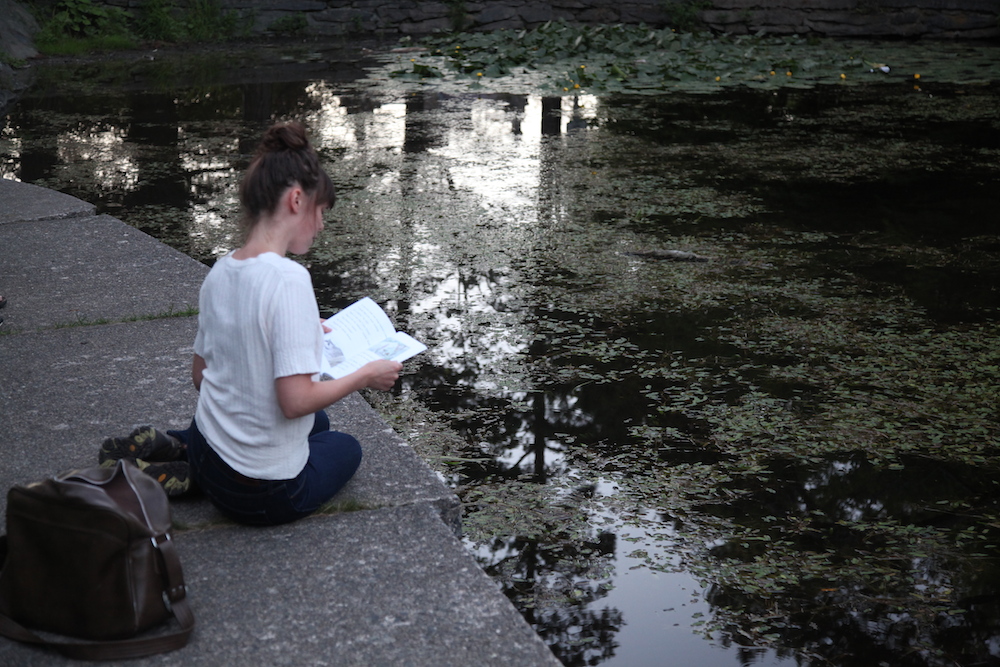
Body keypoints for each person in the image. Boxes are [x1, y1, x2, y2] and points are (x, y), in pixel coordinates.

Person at [100, 121, 402, 526]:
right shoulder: (289, 280)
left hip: (212, 449)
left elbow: (200, 376)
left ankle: (184, 451)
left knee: (321, 422)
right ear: (297, 199)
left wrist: (299, 327)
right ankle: (199, 473)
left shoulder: (222, 270)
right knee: (344, 445)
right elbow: (294, 403)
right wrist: (364, 375)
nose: (322, 225)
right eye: (321, 212)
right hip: (259, 492)